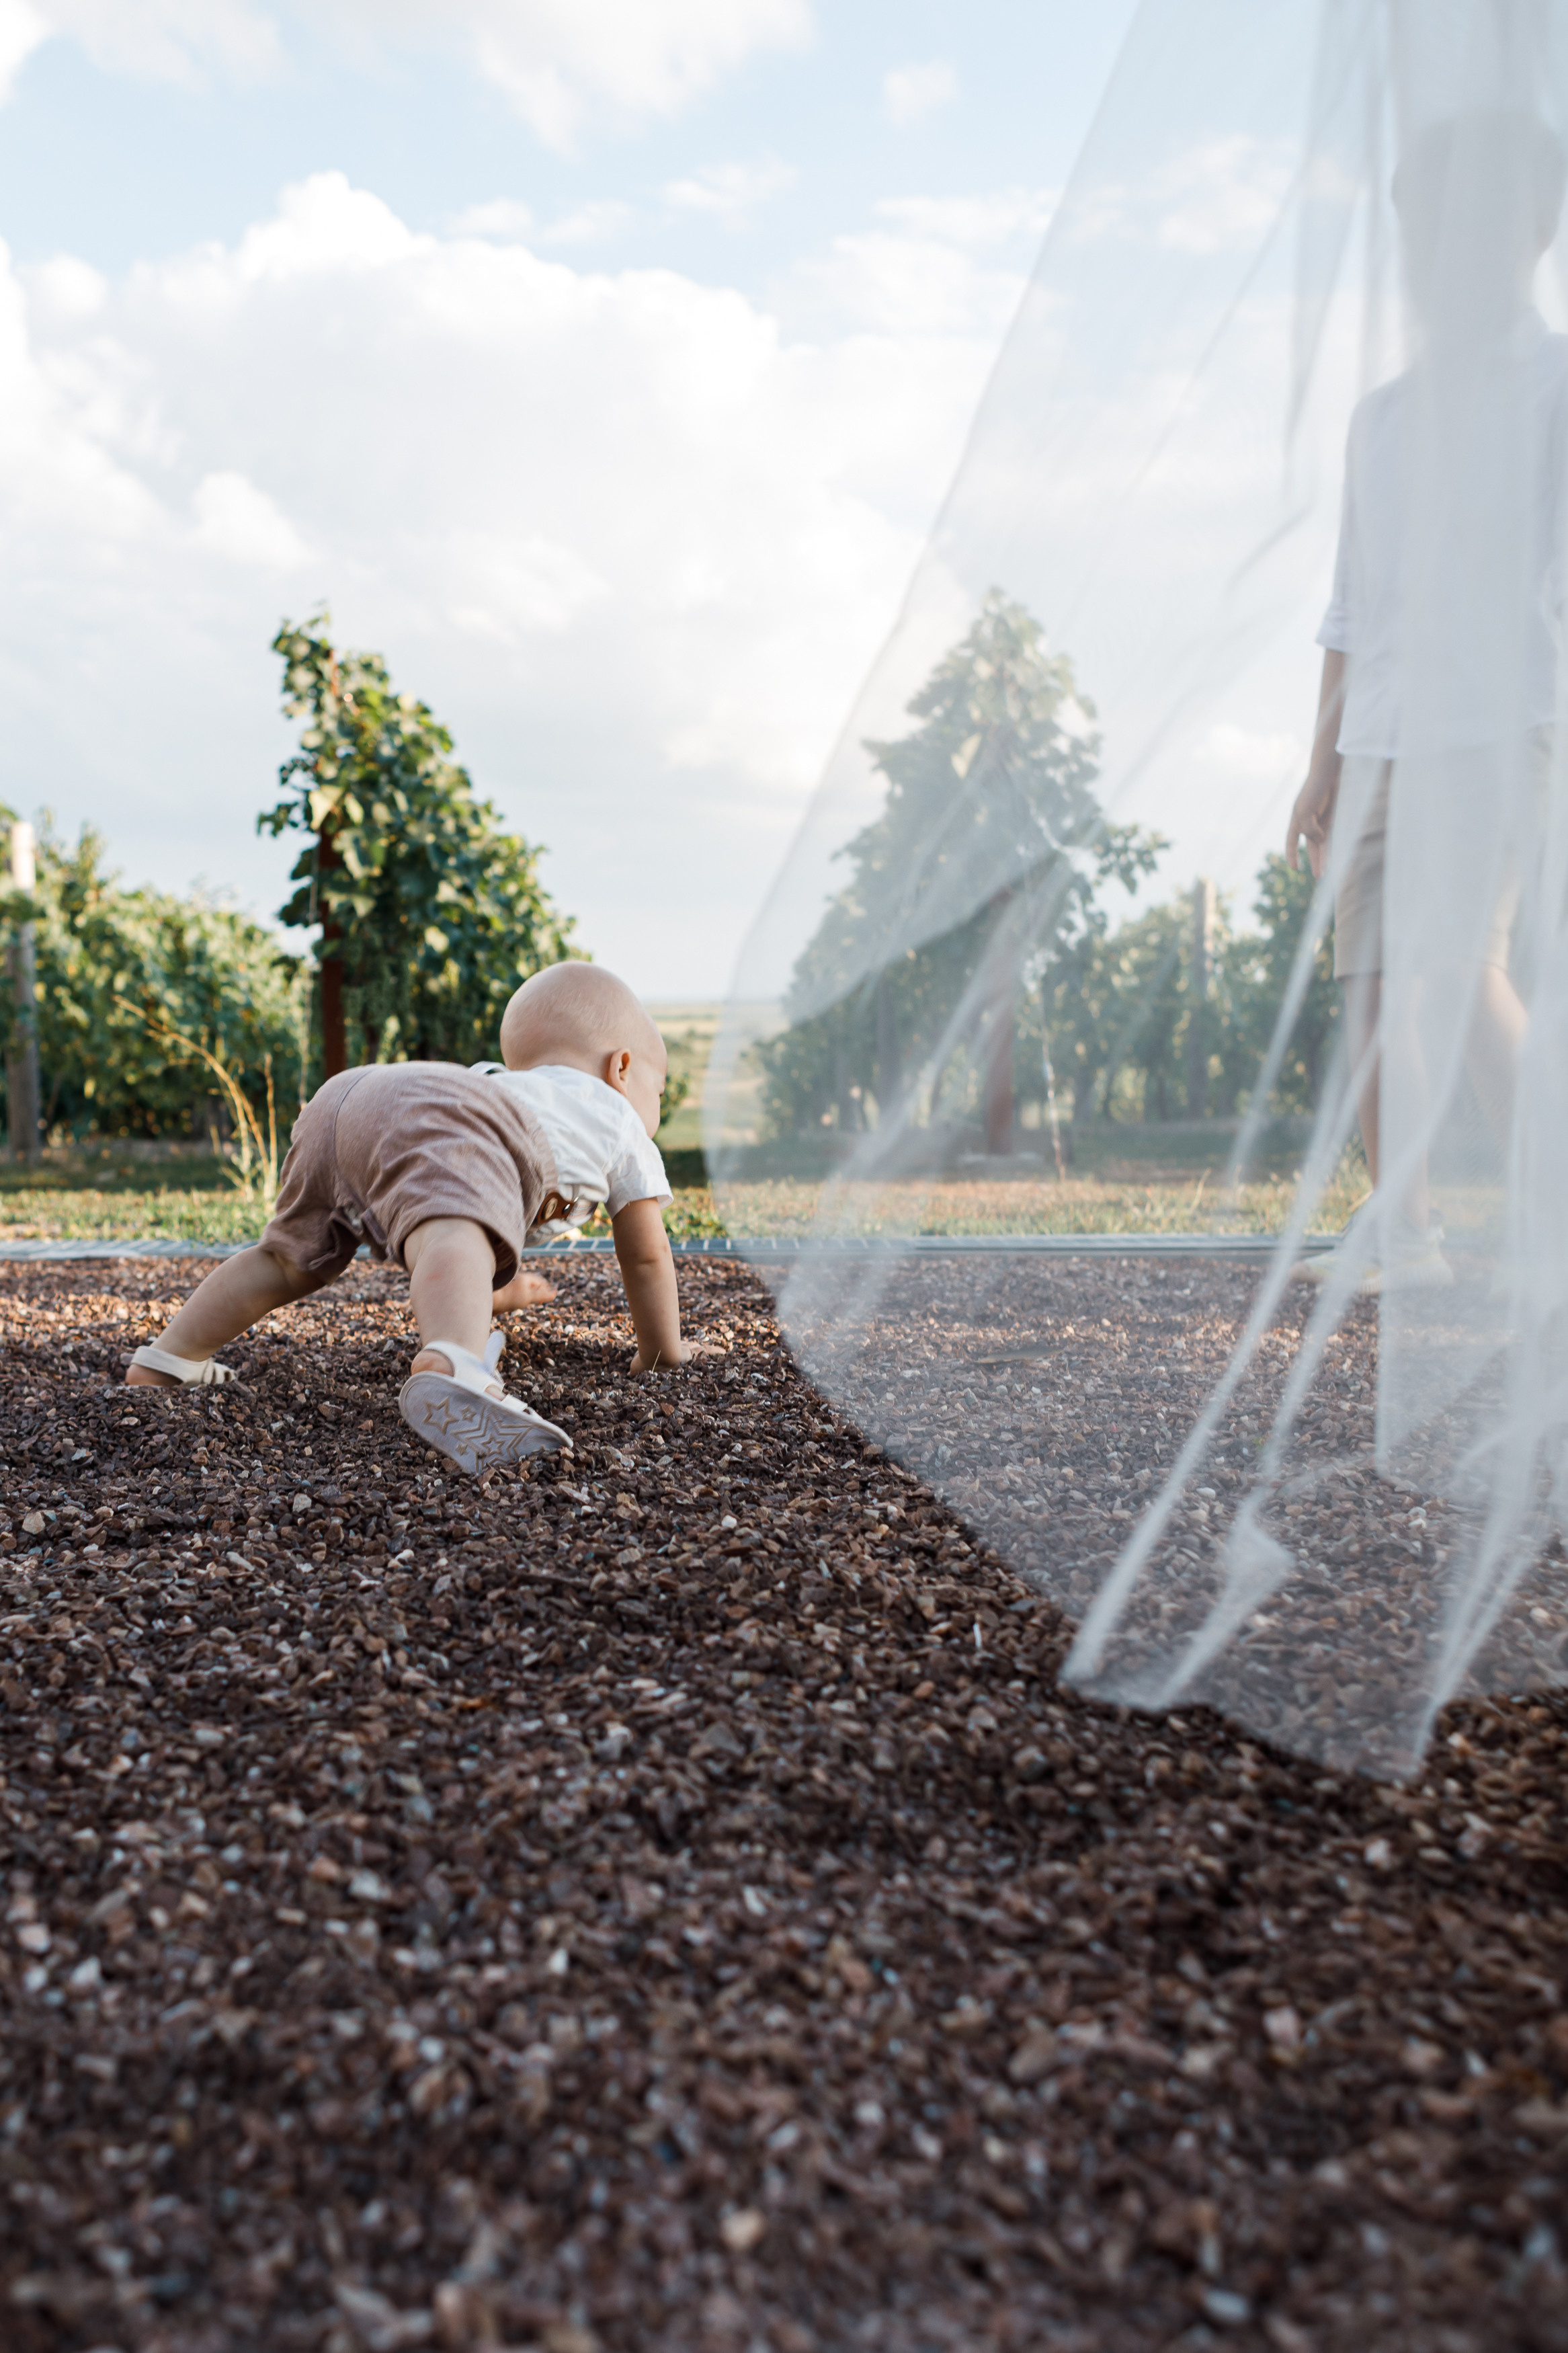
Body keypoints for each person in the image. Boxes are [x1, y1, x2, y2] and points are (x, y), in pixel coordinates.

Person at [1284, 108, 1568, 1296]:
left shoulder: (1553, 389)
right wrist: (1321, 758)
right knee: (1372, 985)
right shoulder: (1380, 417)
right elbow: (1351, 606)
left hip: (1501, 723)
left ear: (1524, 234)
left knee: (1459, 963)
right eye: (1416, 232)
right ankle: (1405, 1237)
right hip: (1382, 731)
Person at [124, 962, 686, 1477]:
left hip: (351, 1098)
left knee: (288, 1259)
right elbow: (645, 1256)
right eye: (657, 1092)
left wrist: (499, 1291)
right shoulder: (616, 1118)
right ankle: (456, 1362)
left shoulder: (496, 1081)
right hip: (445, 1112)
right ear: (622, 1068)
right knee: (452, 1229)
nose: (653, 1107)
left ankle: (169, 1359)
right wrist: (661, 1355)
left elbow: (454, 1201)